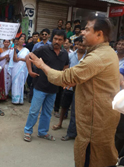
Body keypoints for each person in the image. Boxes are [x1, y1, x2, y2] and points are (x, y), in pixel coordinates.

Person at [29, 15, 120, 167]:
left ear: (99, 34)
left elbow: (64, 77)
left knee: (91, 158)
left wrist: (41, 65)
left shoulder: (98, 57)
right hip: (101, 118)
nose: (82, 33)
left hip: (95, 122)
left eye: (87, 29)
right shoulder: (106, 52)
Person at [23, 30, 69, 142]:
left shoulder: (64, 54)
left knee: (47, 112)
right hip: (40, 86)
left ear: (64, 41)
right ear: (52, 39)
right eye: (55, 39)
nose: (57, 41)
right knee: (34, 110)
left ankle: (42, 132)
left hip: (53, 88)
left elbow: (66, 66)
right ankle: (28, 131)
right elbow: (28, 56)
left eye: (60, 39)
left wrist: (64, 80)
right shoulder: (44, 49)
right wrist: (30, 71)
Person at [52, 36, 86, 134]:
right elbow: (66, 68)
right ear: (76, 44)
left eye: (83, 45)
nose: (81, 47)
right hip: (68, 85)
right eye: (79, 44)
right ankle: (60, 123)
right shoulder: (71, 55)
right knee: (64, 106)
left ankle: (72, 131)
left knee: (76, 110)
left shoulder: (88, 57)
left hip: (80, 86)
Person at [8, 34, 29, 104]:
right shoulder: (15, 49)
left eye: (23, 39)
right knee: (15, 82)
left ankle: (20, 99)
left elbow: (28, 59)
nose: (22, 40)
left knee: (21, 83)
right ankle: (15, 100)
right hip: (15, 68)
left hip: (23, 68)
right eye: (21, 39)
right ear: (18, 40)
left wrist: (21, 59)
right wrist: (14, 50)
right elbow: (15, 59)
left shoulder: (26, 50)